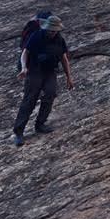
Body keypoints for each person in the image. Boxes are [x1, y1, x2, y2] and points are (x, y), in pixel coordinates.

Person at [12, 15, 74, 146]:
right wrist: (23, 68)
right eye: (51, 30)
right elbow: (25, 53)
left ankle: (40, 124)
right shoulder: (36, 36)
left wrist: (69, 77)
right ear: (46, 28)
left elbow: (64, 58)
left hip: (50, 71)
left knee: (50, 94)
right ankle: (18, 132)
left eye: (55, 30)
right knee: (30, 99)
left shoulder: (59, 40)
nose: (52, 32)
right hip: (34, 70)